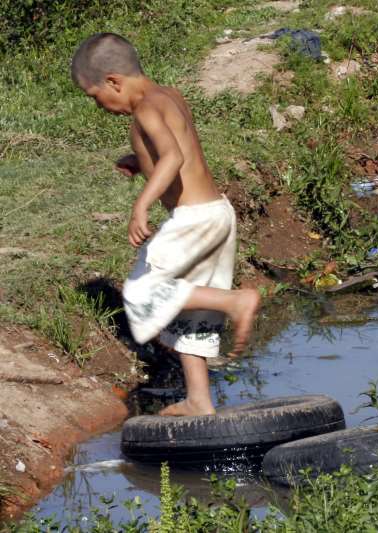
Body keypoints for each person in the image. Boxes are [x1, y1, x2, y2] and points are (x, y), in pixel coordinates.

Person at [71, 33, 261, 417]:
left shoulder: (145, 109)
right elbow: (180, 149)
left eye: (95, 97)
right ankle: (198, 401)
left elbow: (172, 157)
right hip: (217, 212)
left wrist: (140, 206)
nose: (100, 106)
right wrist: (138, 158)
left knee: (142, 292)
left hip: (193, 219)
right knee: (193, 315)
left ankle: (235, 301)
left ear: (113, 81)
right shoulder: (169, 95)